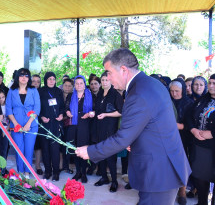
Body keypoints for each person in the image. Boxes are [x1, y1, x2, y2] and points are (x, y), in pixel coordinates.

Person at [75, 48, 191, 205]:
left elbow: (122, 138)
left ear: (123, 70)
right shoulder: (150, 84)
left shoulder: (138, 92)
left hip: (159, 171)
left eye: (109, 72)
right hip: (161, 165)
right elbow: (153, 124)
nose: (107, 77)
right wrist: (135, 141)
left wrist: (90, 151)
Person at [186, 74, 215, 205]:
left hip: (213, 146)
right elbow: (189, 117)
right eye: (210, 83)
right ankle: (202, 202)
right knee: (199, 177)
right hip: (199, 146)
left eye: (214, 83)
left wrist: (213, 133)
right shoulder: (202, 100)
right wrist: (193, 129)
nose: (211, 86)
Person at [91, 71, 123, 192]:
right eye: (102, 80)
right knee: (100, 154)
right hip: (99, 128)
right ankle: (104, 177)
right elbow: (97, 109)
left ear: (111, 80)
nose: (104, 82)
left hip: (110, 130)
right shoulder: (100, 93)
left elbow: (120, 112)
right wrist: (94, 113)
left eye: (106, 80)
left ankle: (114, 181)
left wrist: (105, 114)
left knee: (110, 156)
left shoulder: (115, 95)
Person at [6, 68, 40, 177]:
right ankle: (20, 173)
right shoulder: (12, 90)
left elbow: (37, 108)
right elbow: (8, 109)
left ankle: (27, 172)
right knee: (19, 150)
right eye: (21, 75)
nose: (24, 78)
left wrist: (28, 124)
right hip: (16, 126)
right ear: (17, 77)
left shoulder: (33, 90)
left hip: (32, 125)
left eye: (26, 76)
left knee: (29, 150)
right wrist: (16, 124)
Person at [169, 78, 194, 205]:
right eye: (172, 91)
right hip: (168, 138)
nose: (174, 94)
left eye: (177, 91)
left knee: (182, 165)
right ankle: (170, 191)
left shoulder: (188, 103)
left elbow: (192, 124)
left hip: (183, 138)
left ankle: (182, 192)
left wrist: (179, 126)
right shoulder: (167, 101)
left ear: (182, 90)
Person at [65, 75, 93, 183]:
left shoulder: (90, 95)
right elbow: (66, 108)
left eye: (81, 83)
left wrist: (91, 113)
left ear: (84, 84)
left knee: (84, 149)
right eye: (76, 83)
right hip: (73, 125)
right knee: (75, 149)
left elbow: (94, 110)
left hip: (85, 125)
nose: (79, 85)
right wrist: (67, 112)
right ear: (74, 85)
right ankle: (78, 172)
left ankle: (84, 173)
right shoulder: (70, 96)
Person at [38, 72, 65, 181]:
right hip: (44, 124)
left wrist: (61, 114)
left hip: (55, 124)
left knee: (55, 149)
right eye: (49, 79)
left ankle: (56, 172)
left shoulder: (59, 91)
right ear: (45, 80)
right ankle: (47, 171)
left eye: (53, 79)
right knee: (45, 149)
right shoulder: (40, 91)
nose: (51, 81)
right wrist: (41, 117)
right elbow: (37, 108)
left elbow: (62, 107)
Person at [61, 78, 74, 174]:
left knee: (68, 145)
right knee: (59, 145)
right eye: (65, 85)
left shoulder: (74, 96)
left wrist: (64, 117)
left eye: (69, 86)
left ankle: (67, 166)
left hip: (69, 124)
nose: (67, 87)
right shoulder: (58, 95)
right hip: (58, 123)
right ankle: (61, 166)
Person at [0, 88, 10, 172]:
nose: (1, 99)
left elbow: (10, 120)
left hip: (6, 132)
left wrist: (6, 131)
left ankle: (3, 170)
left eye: (3, 97)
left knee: (4, 151)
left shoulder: (8, 106)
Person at [31, 74, 43, 174]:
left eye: (38, 81)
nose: (35, 83)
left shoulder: (42, 92)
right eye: (33, 81)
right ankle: (27, 167)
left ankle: (38, 166)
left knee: (38, 145)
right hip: (27, 122)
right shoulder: (26, 91)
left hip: (40, 122)